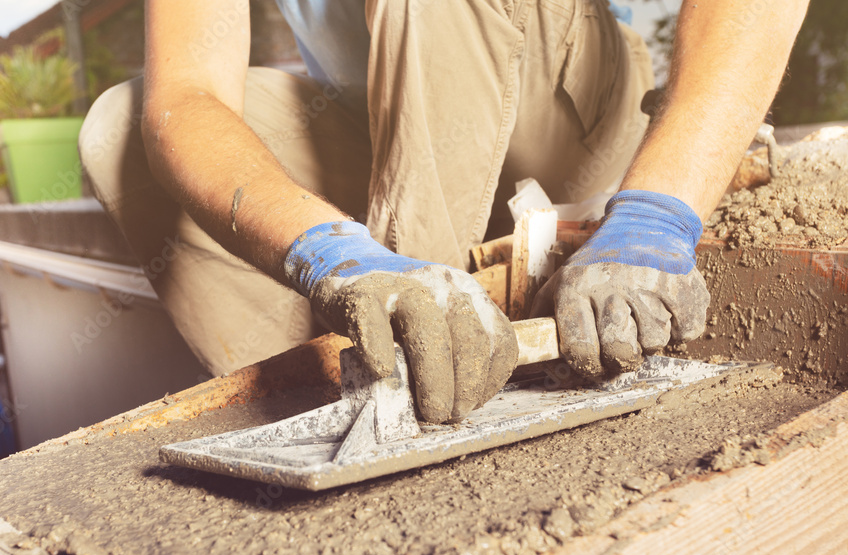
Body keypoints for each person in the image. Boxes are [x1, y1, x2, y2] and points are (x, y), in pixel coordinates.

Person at [80, 0, 809, 424]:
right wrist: (327, 251)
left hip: (565, 111)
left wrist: (663, 203)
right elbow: (186, 101)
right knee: (120, 134)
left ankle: (428, 398)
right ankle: (377, 353)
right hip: (396, 133)